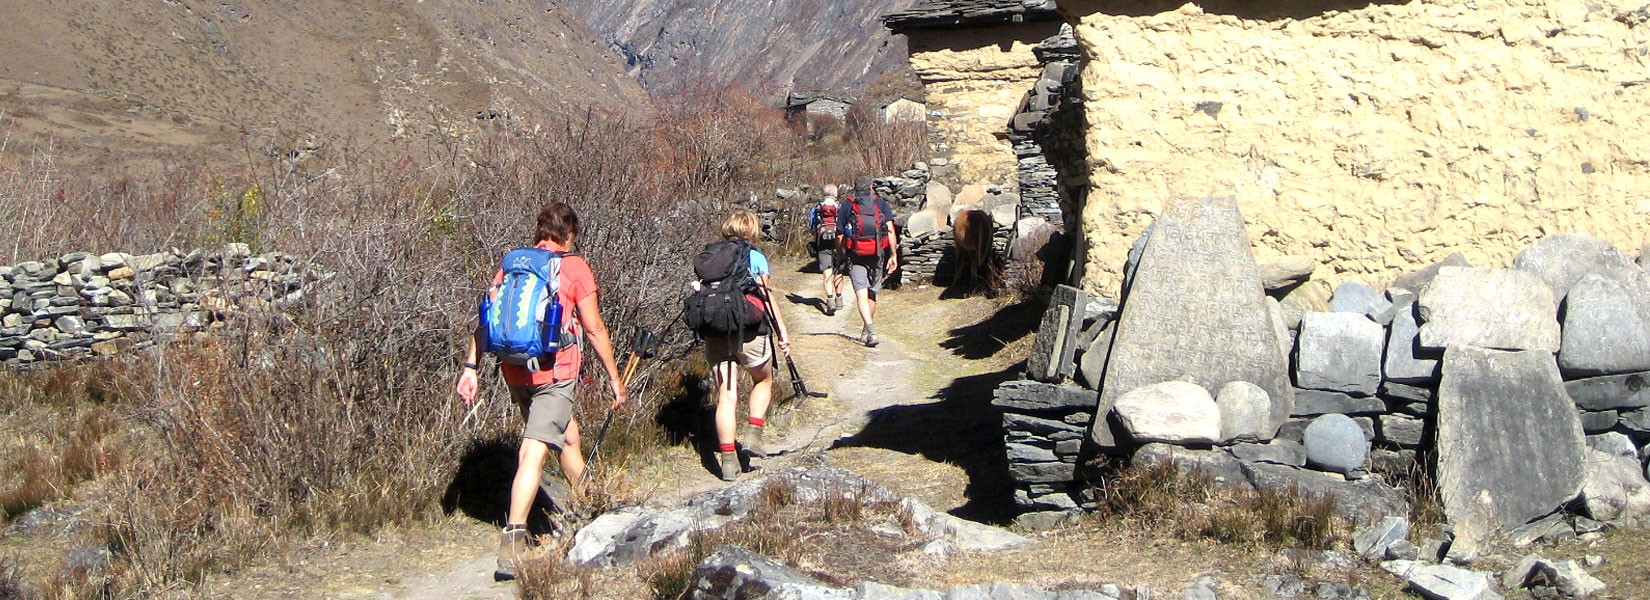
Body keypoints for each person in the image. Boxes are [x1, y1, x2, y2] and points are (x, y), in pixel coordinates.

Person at [454, 202, 627, 581]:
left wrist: (472, 367)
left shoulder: (513, 262)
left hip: (514, 371)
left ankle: (592, 507)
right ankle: (513, 542)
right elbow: (594, 329)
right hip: (556, 372)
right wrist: (615, 377)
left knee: (567, 436)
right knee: (533, 450)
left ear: (539, 231)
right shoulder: (574, 267)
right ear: (570, 234)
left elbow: (486, 317)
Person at [703, 210, 791, 481]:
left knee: (726, 395)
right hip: (750, 330)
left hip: (717, 331)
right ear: (751, 231)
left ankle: (728, 461)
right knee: (763, 380)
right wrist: (782, 331)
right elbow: (766, 296)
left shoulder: (713, 257)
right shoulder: (755, 257)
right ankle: (753, 434)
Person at [837, 176, 899, 347]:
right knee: (872, 293)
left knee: (861, 294)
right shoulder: (880, 203)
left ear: (854, 188)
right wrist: (893, 255)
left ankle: (870, 330)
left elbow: (840, 235)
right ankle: (868, 327)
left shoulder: (847, 205)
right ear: (871, 187)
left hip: (855, 255)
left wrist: (841, 255)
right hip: (878, 254)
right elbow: (891, 230)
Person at [808, 184, 845, 315]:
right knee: (839, 268)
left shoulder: (817, 207)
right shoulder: (840, 206)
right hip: (838, 240)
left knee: (827, 271)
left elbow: (812, 226)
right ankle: (839, 298)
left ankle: (830, 300)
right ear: (835, 194)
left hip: (822, 241)